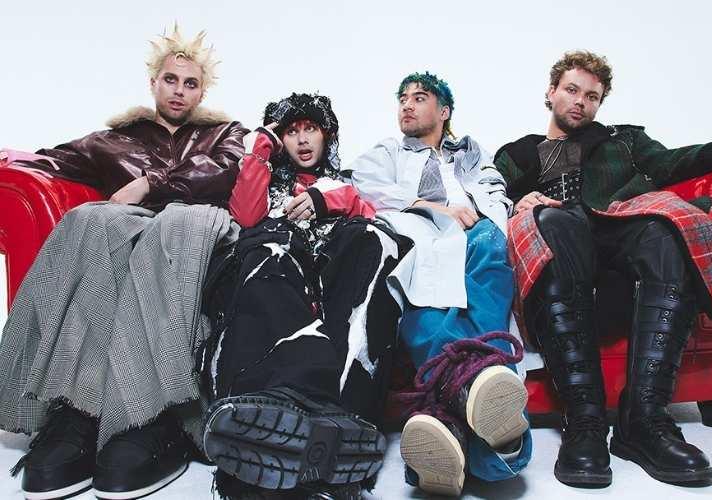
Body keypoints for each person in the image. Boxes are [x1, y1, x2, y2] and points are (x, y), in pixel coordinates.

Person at [0, 26, 246, 499]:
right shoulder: (111, 141)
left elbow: (229, 170)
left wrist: (151, 183)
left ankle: (155, 413)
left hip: (197, 227)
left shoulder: (223, 133)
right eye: (170, 79)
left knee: (173, 227)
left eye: (190, 83)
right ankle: (79, 407)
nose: (179, 90)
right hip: (132, 228)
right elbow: (46, 161)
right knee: (91, 220)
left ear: (202, 92)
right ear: (154, 82)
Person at [493, 50, 712, 487]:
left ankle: (644, 420)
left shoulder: (623, 141)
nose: (580, 101)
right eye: (572, 90)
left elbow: (671, 162)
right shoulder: (518, 154)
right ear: (551, 92)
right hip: (561, 238)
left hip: (617, 225)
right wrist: (519, 201)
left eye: (591, 96)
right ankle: (585, 421)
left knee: (666, 227)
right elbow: (486, 193)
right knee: (552, 219)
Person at [198, 93, 408, 499]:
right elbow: (245, 215)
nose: (302, 139)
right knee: (268, 247)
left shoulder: (340, 184)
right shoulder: (266, 180)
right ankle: (271, 413)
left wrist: (325, 200)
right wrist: (262, 145)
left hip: (330, 280)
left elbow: (366, 212)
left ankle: (344, 425)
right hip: (279, 275)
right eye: (290, 132)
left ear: (326, 135)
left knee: (374, 240)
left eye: (310, 128)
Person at [344, 72, 532, 497]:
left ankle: (449, 415)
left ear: (444, 111)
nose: (407, 105)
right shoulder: (388, 153)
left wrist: (481, 212)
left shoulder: (471, 152)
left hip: (474, 235)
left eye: (419, 97)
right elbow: (365, 185)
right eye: (403, 99)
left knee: (489, 248)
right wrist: (431, 207)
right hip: (419, 235)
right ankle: (500, 450)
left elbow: (493, 186)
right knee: (421, 288)